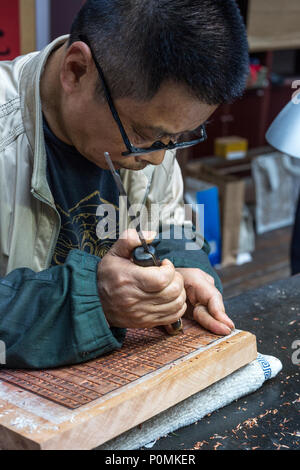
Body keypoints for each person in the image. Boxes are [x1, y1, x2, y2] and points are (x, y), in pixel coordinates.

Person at [0, 0, 249, 369]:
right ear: (76, 70)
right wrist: (89, 300)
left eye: (180, 138)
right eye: (146, 136)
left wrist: (180, 271)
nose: (159, 159)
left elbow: (172, 224)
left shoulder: (152, 135)